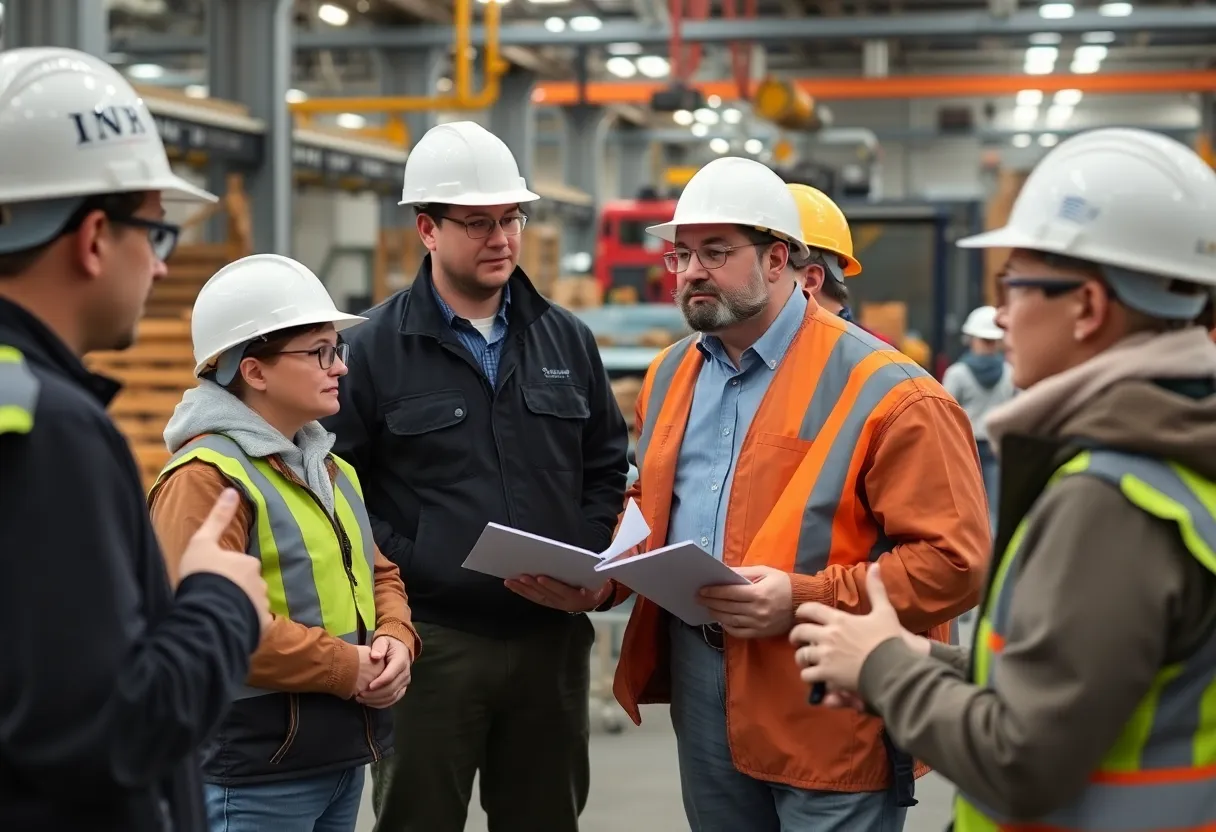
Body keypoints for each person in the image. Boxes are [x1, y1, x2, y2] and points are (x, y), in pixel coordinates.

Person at [790, 127, 1216, 831]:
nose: (1003, 314)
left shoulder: (1110, 500)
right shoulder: (1176, 451)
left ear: (1087, 306)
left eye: (1014, 285)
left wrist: (881, 670)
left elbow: (1021, 759)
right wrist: (912, 660)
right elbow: (1082, 693)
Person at [603, 155, 990, 831]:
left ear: (780, 258)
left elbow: (955, 565)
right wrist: (601, 574)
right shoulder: (671, 374)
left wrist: (802, 597)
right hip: (702, 677)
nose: (692, 271)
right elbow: (653, 505)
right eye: (682, 254)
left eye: (716, 252)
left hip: (828, 691)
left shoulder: (893, 392)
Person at [322, 121, 630, 832]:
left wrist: (584, 556)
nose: (502, 238)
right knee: (417, 819)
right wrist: (415, 561)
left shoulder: (565, 338)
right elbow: (338, 487)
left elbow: (606, 462)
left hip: (550, 640)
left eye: (511, 219)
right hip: (433, 642)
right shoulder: (369, 352)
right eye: (479, 223)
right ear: (427, 229)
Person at [0, 47, 270, 832]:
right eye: (155, 234)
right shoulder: (50, 429)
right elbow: (108, 731)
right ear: (91, 238)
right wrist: (220, 603)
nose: (158, 269)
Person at [147, 254, 419, 832]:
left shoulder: (332, 470)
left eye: (336, 350)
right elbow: (205, 623)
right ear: (255, 371)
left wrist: (396, 639)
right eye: (319, 352)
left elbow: (379, 575)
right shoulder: (205, 477)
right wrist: (347, 668)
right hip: (252, 773)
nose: (340, 367)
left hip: (338, 755)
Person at [941, 306, 1015, 530]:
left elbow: (945, 415)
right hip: (997, 447)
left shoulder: (957, 374)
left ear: (971, 338)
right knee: (993, 510)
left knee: (964, 506)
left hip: (965, 447)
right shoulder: (1010, 372)